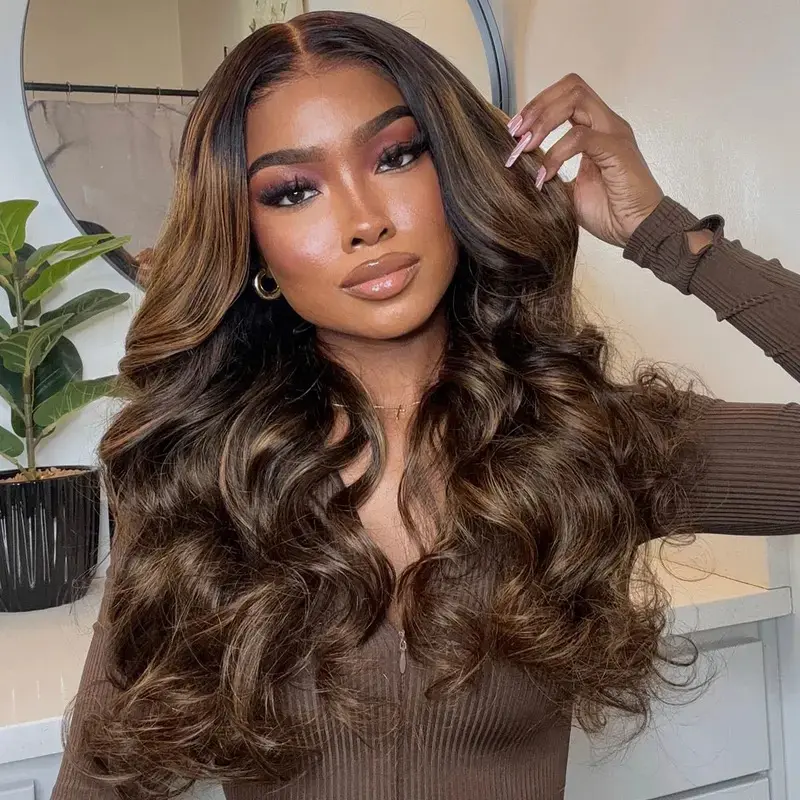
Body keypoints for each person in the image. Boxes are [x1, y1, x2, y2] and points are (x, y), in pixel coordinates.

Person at [52, 11, 799, 800]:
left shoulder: (580, 439)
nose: (364, 221)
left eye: (397, 155)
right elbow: (102, 779)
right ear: (249, 238)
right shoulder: (199, 472)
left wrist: (664, 234)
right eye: (294, 191)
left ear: (456, 177)